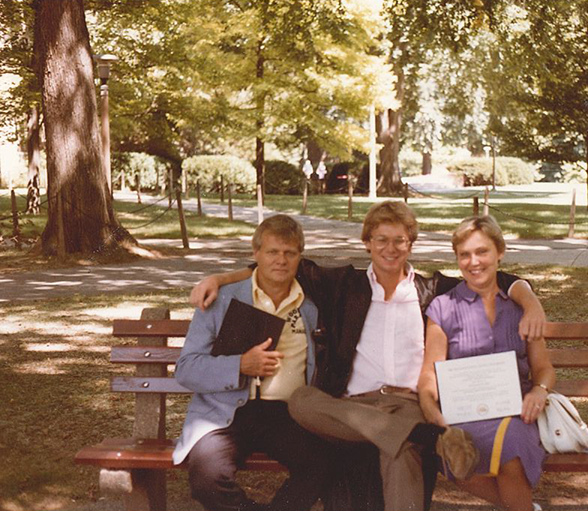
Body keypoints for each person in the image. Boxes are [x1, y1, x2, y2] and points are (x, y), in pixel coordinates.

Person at [190, 201, 547, 511]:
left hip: (408, 404)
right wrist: (220, 278)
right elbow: (282, 264)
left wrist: (528, 298)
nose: (390, 249)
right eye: (381, 240)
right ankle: (422, 435)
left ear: (411, 244)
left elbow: (494, 276)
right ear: (367, 244)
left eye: (399, 241)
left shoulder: (433, 291)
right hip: (350, 409)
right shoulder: (345, 285)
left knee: (400, 452)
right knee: (302, 401)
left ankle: (412, 434)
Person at [173, 214, 332, 511]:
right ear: (256, 253)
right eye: (272, 252)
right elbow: (186, 369)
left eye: (290, 253)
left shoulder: (313, 305)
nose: (281, 261)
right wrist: (240, 365)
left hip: (288, 415)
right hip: (227, 413)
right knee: (207, 478)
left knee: (323, 463)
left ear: (300, 256)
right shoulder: (222, 301)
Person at [418, 215, 555, 511]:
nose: (474, 262)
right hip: (463, 414)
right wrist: (432, 411)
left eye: (482, 252)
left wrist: (539, 391)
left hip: (517, 412)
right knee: (457, 452)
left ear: (499, 253)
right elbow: (430, 372)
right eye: (464, 255)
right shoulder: (443, 307)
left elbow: (543, 368)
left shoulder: (520, 307)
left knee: (513, 443)